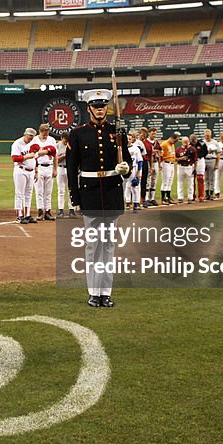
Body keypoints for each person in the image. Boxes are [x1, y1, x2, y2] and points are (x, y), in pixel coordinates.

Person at [66, 89, 130, 308]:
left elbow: (127, 164)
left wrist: (125, 168)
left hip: (111, 193)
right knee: (93, 246)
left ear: (107, 108)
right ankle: (94, 292)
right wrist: (75, 197)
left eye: (103, 106)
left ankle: (106, 292)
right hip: (90, 194)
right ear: (89, 108)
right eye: (96, 106)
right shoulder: (78, 134)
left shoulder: (117, 131)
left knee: (109, 247)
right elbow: (72, 168)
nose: (100, 109)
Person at [11, 128, 39, 224]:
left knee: (29, 193)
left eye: (32, 137)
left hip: (31, 172)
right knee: (19, 194)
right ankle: (19, 215)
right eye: (29, 137)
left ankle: (27, 215)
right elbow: (14, 158)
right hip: (21, 170)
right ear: (25, 135)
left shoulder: (33, 143)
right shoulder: (17, 144)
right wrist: (27, 156)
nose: (31, 139)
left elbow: (36, 158)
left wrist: (36, 171)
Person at [159, 132, 178, 205]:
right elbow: (160, 155)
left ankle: (168, 197)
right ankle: (163, 198)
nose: (175, 142)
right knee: (165, 181)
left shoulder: (172, 144)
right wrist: (160, 164)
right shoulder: (164, 144)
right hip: (166, 163)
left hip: (172, 163)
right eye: (175, 140)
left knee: (170, 180)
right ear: (172, 138)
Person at [55, 132, 71, 217]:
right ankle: (60, 209)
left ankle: (71, 209)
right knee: (61, 190)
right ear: (62, 138)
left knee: (70, 190)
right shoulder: (57, 146)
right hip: (60, 168)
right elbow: (56, 160)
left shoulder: (70, 145)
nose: (66, 142)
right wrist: (64, 155)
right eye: (65, 140)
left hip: (69, 169)